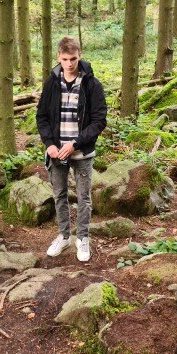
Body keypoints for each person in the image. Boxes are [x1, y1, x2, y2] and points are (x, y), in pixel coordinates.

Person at [36, 37, 107, 262]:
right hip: (56, 152)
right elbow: (42, 117)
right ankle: (64, 236)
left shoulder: (92, 85)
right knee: (59, 195)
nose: (69, 64)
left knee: (84, 197)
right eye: (65, 59)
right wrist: (50, 144)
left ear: (80, 56)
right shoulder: (51, 83)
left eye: (73, 59)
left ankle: (82, 238)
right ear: (59, 57)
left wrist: (75, 143)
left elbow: (99, 120)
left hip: (82, 152)